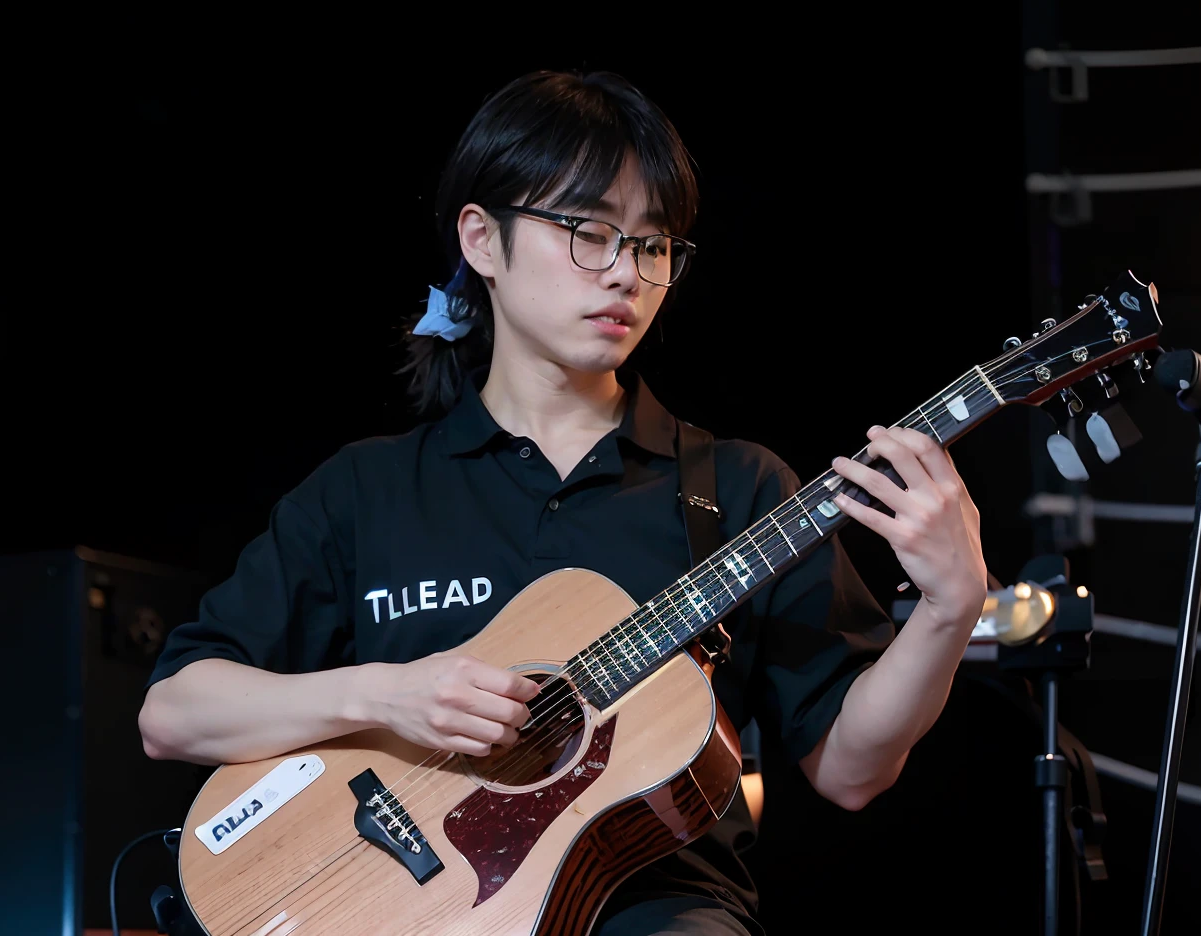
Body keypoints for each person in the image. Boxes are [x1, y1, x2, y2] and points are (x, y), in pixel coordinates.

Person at [138, 69, 989, 936]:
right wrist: (385, 694)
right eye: (589, 231)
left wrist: (948, 613)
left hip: (659, 911)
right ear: (483, 239)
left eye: (654, 245)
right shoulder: (366, 490)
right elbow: (172, 713)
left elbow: (851, 772)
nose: (627, 273)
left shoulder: (739, 488)